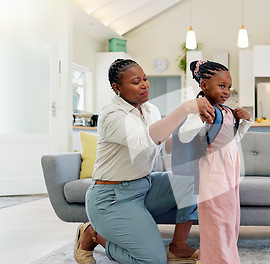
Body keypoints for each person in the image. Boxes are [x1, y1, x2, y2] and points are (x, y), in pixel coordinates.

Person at [74, 58, 215, 264]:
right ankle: (93, 235)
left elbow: (162, 146)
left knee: (194, 177)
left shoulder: (151, 110)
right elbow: (144, 141)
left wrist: (197, 132)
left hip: (145, 186)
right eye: (136, 81)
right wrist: (185, 108)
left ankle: (179, 247)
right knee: (152, 261)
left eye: (145, 79)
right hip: (112, 198)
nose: (144, 84)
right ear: (117, 88)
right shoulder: (112, 115)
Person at [178, 60, 253, 264]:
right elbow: (184, 137)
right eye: (222, 86)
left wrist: (245, 121)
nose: (227, 91)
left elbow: (233, 140)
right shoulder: (201, 110)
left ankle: (226, 257)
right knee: (216, 220)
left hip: (230, 173)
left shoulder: (227, 112)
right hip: (213, 172)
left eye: (229, 87)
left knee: (230, 220)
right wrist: (199, 118)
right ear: (204, 85)